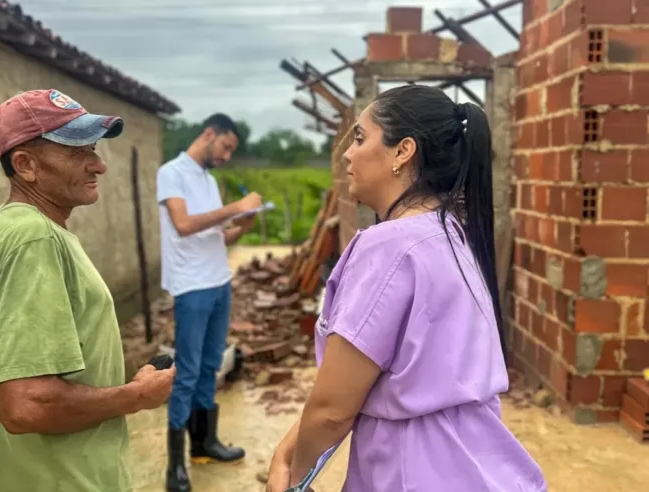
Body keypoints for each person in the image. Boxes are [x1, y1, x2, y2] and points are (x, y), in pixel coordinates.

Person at [267, 85, 547, 492]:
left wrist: (293, 476)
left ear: (403, 151)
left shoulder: (388, 246)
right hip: (479, 466)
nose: (347, 153)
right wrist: (292, 448)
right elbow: (354, 388)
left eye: (360, 138)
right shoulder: (450, 235)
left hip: (412, 470)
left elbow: (332, 409)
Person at [0, 89, 176, 492]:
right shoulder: (33, 238)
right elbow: (26, 405)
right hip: (62, 478)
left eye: (92, 148)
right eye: (77, 152)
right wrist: (137, 396)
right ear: (25, 165)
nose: (99, 165)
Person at [157, 114, 261, 492]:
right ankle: (175, 466)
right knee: (186, 372)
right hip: (192, 287)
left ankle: (204, 444)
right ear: (208, 134)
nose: (227, 156)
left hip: (219, 282)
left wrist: (242, 226)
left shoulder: (209, 181)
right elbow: (183, 226)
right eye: (226, 147)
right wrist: (235, 207)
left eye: (232, 150)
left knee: (209, 366)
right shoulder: (172, 173)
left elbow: (215, 236)